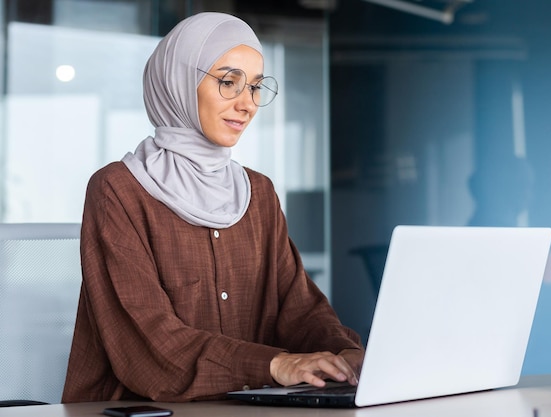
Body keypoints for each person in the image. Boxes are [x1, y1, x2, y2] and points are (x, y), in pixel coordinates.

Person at [61, 11, 363, 403]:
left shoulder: (257, 192)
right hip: (135, 409)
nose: (247, 104)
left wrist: (346, 354)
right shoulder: (118, 190)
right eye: (228, 82)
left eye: (255, 87)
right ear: (180, 83)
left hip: (244, 407)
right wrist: (273, 365)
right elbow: (147, 344)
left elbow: (299, 308)